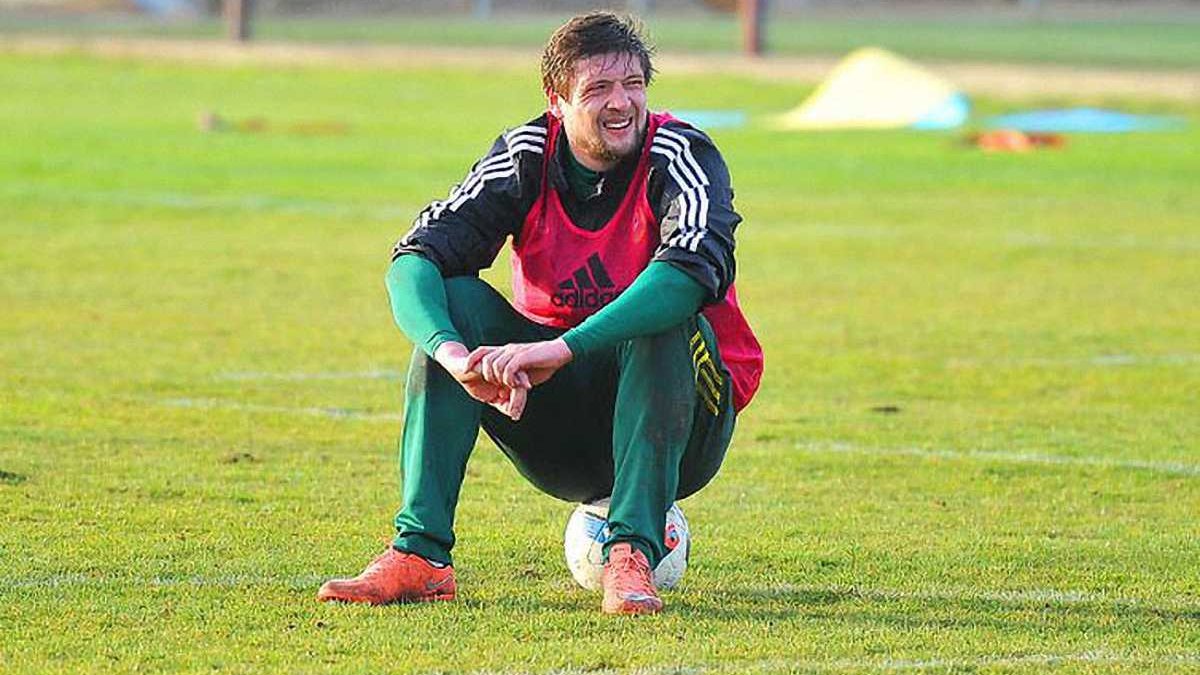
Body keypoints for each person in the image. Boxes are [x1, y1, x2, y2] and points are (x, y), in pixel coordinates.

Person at [317, 11, 763, 616]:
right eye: (598, 89)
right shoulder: (526, 155)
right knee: (457, 302)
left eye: (633, 84)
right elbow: (414, 258)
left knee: (662, 317)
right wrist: (455, 357)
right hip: (558, 423)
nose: (621, 103)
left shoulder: (680, 153)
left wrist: (561, 348)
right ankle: (420, 555)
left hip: (685, 425)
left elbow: (689, 275)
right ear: (556, 101)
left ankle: (631, 552)